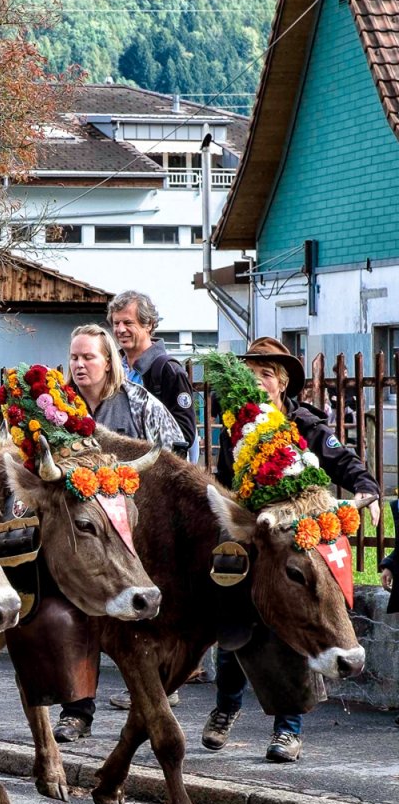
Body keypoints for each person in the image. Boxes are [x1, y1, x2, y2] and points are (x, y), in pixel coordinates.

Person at [203, 337, 382, 762]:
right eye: (251, 374)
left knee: (297, 628)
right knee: (235, 627)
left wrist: (368, 491)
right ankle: (226, 707)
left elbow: (347, 464)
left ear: (282, 383)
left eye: (266, 374)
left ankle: (288, 730)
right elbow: (227, 483)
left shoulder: (304, 423)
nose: (258, 382)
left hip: (298, 546)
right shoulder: (236, 427)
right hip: (256, 541)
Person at [51, 323, 187, 744]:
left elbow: (174, 454)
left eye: (88, 357)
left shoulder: (139, 403)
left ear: (108, 362)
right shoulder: (58, 408)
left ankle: (152, 702)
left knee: (135, 626)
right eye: (74, 357)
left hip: (134, 531)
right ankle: (76, 710)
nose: (79, 364)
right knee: (75, 616)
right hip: (79, 533)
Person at [108, 290, 198, 456]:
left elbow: (185, 435)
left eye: (128, 323)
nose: (120, 329)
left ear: (148, 324)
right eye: (116, 323)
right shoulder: (112, 368)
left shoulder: (168, 371)